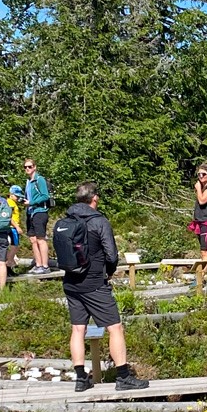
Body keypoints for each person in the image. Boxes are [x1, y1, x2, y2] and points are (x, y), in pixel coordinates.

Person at [59, 182, 150, 393]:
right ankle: (123, 376)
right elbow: (111, 254)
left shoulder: (66, 220)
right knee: (114, 327)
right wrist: (108, 272)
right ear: (95, 198)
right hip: (94, 284)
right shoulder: (99, 221)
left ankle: (81, 378)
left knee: (77, 329)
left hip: (71, 282)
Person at [24, 159, 52, 274]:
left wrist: (32, 202)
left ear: (35, 167)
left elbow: (45, 196)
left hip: (40, 212)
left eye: (29, 167)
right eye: (25, 167)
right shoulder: (28, 182)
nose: (27, 169)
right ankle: (38, 264)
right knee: (33, 239)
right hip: (30, 212)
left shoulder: (39, 180)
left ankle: (45, 266)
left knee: (41, 239)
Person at [6, 185, 24, 269]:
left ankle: (10, 262)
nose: (18, 198)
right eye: (16, 196)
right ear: (11, 194)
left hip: (13, 227)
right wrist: (17, 227)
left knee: (15, 245)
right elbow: (8, 216)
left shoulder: (13, 203)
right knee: (14, 246)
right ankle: (8, 263)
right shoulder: (10, 203)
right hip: (12, 227)